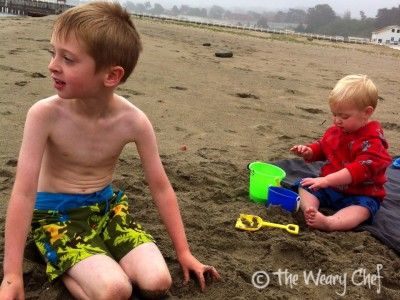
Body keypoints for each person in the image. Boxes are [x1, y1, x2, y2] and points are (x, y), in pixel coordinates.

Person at [0, 2, 220, 299]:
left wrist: (184, 252)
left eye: (68, 59)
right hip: (56, 216)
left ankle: (91, 262)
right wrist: (12, 275)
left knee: (158, 281)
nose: (53, 65)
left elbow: (161, 187)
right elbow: (24, 192)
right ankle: (66, 263)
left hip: (107, 210)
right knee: (116, 290)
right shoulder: (44, 115)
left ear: (111, 76)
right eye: (52, 53)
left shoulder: (133, 121)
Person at [290, 74, 392, 232]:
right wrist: (309, 151)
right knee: (305, 186)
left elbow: (359, 169)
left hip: (361, 193)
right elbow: (324, 147)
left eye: (344, 116)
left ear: (366, 112)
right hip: (331, 188)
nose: (337, 120)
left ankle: (331, 222)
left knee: (362, 210)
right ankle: (311, 210)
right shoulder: (336, 130)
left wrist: (327, 180)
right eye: (335, 114)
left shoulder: (372, 142)